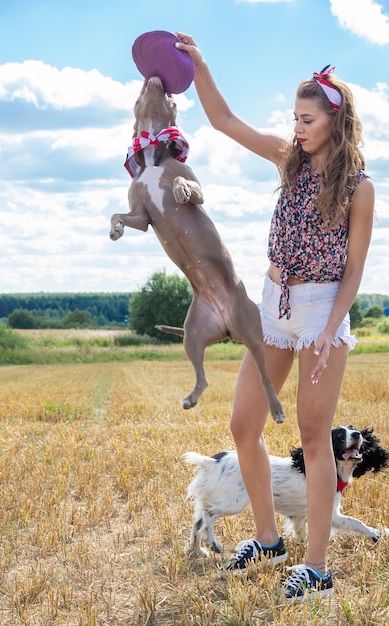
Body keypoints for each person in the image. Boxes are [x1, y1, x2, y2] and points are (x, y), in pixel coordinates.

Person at [175, 33, 374, 601]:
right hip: (273, 303)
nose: (297, 127)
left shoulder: (360, 188)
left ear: (335, 122)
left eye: (307, 118)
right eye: (294, 117)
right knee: (244, 426)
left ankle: (315, 568)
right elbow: (224, 121)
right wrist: (201, 66)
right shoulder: (288, 160)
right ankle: (267, 538)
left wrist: (330, 330)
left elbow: (354, 271)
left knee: (314, 439)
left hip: (320, 313)